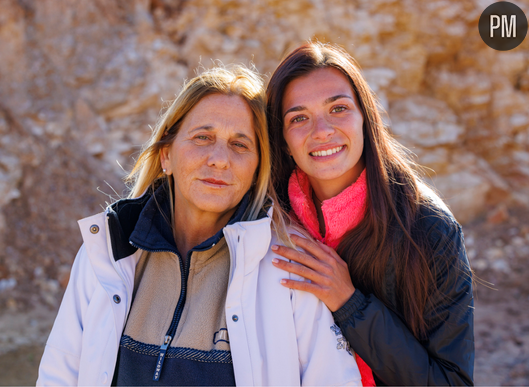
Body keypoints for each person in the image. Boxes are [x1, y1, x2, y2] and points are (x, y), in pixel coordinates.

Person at [36, 64, 362, 386]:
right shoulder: (107, 250)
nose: (219, 158)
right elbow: (59, 375)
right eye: (203, 137)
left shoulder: (289, 264)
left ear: (257, 169)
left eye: (239, 144)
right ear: (166, 156)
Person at [266, 42, 474, 386]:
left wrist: (349, 303)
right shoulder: (266, 221)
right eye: (299, 117)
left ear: (366, 117)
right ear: (283, 138)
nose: (322, 130)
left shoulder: (429, 230)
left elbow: (451, 382)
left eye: (338, 108)